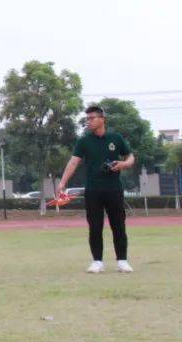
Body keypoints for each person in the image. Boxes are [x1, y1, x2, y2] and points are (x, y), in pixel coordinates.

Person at [57, 105, 136, 274]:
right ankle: (97, 261)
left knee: (118, 226)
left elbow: (130, 156)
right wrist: (63, 182)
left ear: (102, 119)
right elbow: (73, 162)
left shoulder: (116, 138)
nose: (89, 121)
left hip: (114, 189)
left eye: (92, 118)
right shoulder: (84, 141)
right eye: (87, 119)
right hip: (93, 190)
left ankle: (122, 261)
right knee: (94, 226)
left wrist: (124, 164)